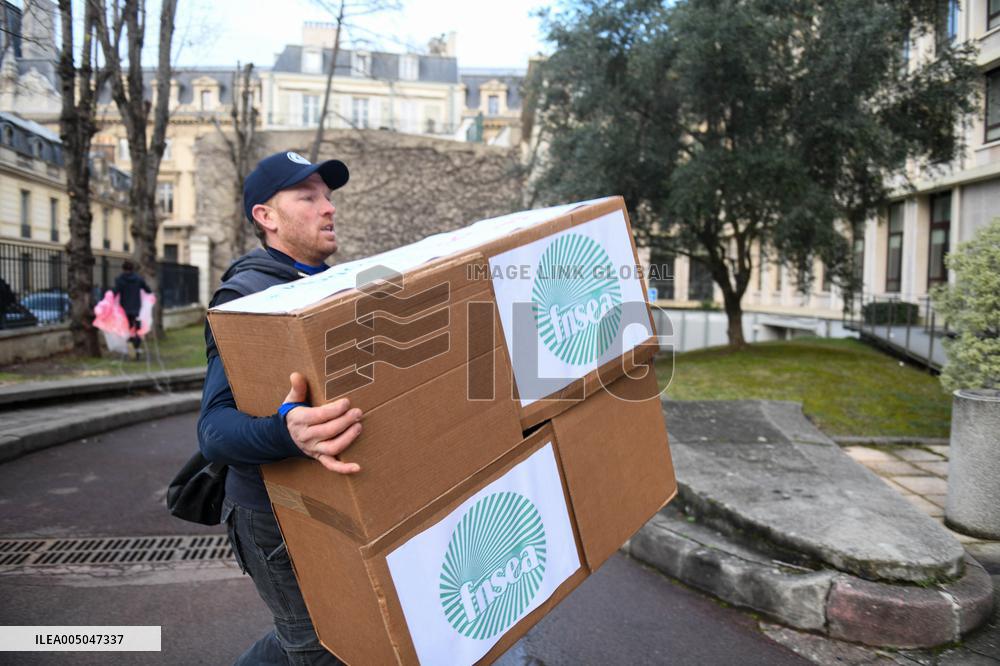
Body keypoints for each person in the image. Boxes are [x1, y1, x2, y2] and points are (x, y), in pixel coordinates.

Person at [198, 151, 362, 665]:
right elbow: (214, 430)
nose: (327, 208)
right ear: (266, 217)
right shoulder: (247, 296)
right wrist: (287, 431)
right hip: (273, 517)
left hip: (329, 502)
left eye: (328, 197)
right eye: (307, 197)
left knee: (331, 634)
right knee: (321, 647)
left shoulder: (334, 287)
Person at [112, 260, 151, 356]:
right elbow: (147, 290)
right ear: (132, 269)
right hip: (136, 308)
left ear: (123, 268)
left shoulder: (120, 279)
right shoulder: (138, 279)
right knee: (137, 328)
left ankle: (130, 341)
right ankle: (136, 345)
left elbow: (115, 292)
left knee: (129, 327)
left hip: (125, 308)